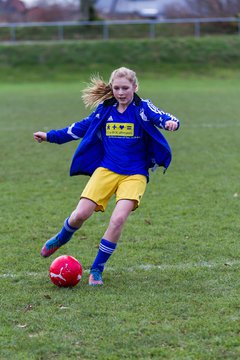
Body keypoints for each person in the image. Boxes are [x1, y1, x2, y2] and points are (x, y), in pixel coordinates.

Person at [34, 66, 180, 286]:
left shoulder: (142, 108)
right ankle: (60, 238)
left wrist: (172, 124)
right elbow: (80, 127)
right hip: (106, 171)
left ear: (135, 87)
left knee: (118, 219)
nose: (121, 92)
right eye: (117, 88)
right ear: (112, 88)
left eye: (125, 88)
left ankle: (97, 268)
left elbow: (163, 117)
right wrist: (50, 136)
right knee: (79, 215)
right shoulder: (105, 109)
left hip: (135, 175)